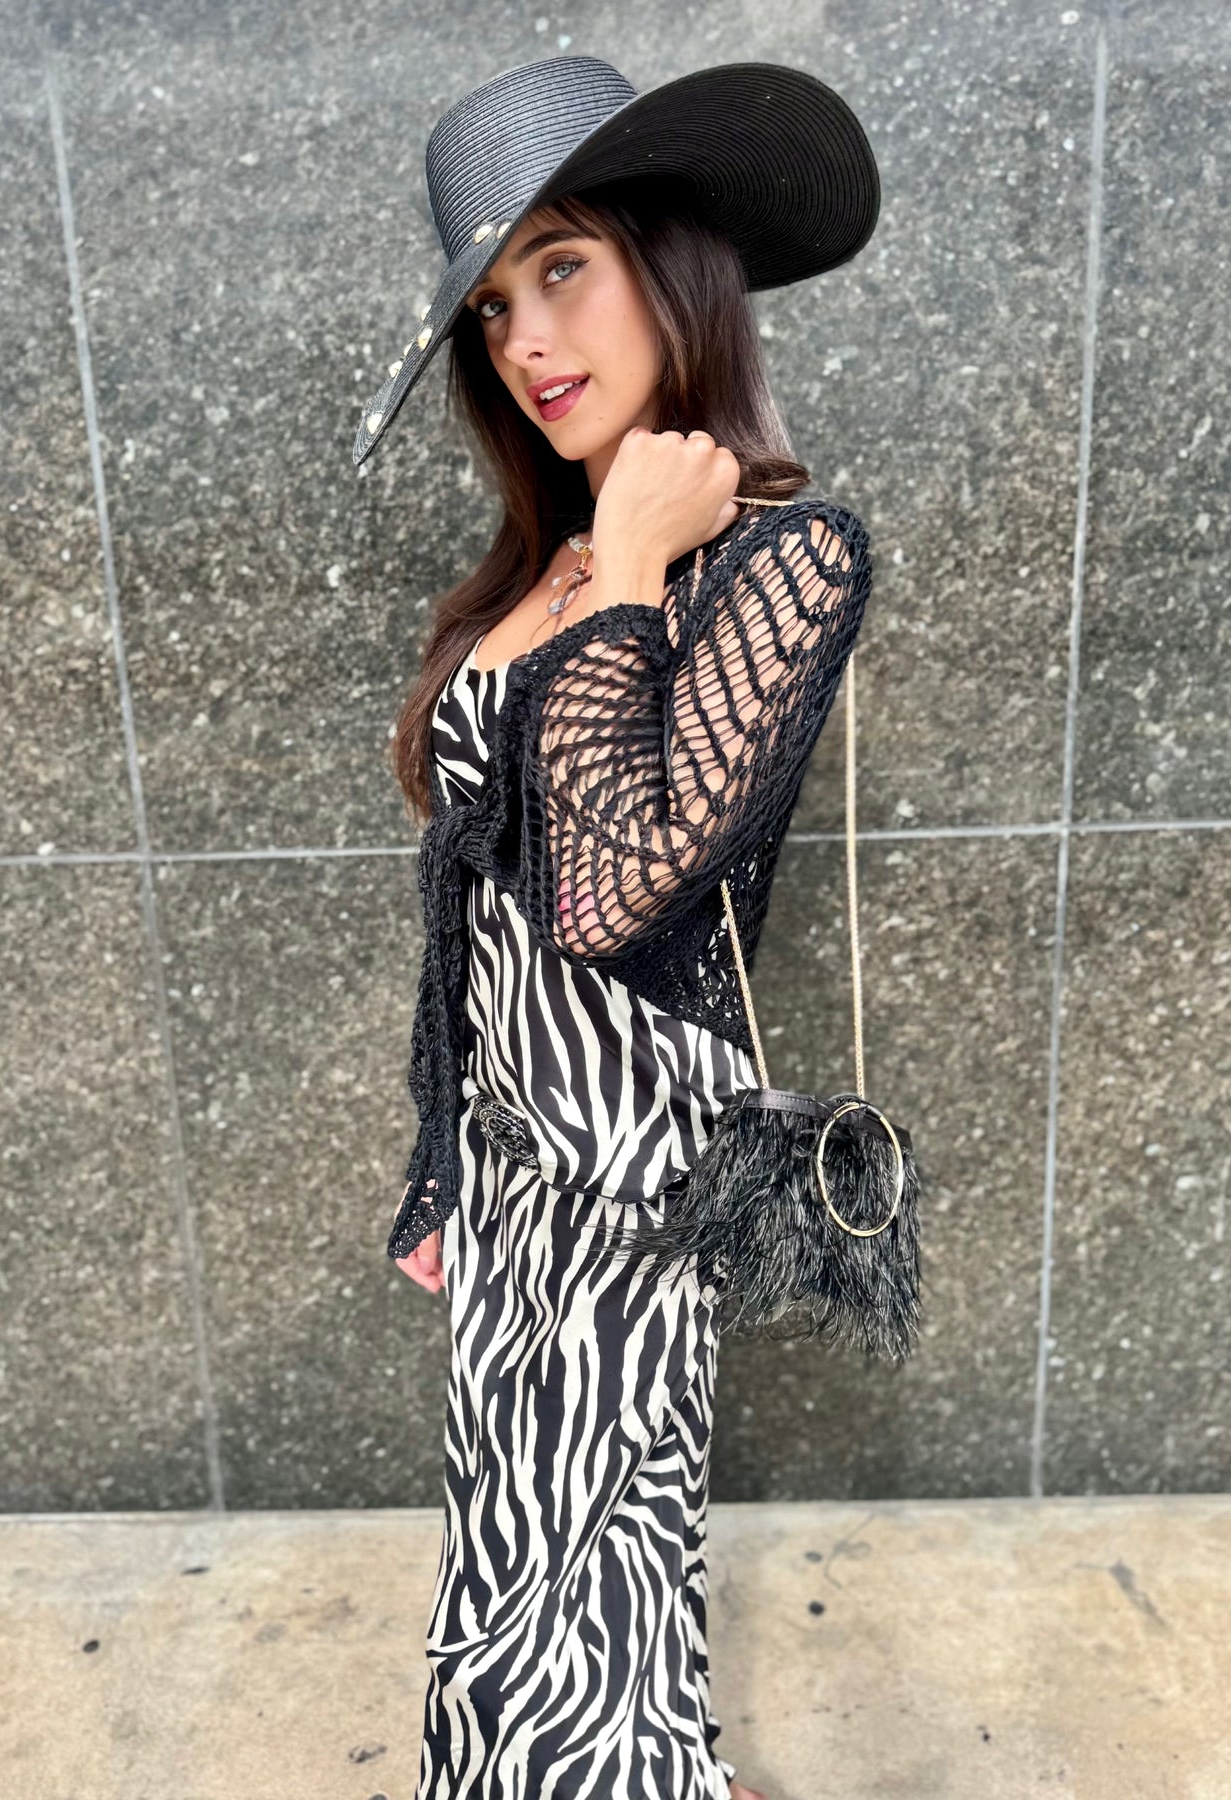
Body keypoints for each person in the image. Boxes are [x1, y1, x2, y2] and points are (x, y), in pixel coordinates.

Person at [355, 53, 880, 1800]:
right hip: (516, 1168)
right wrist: (442, 1161)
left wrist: (643, 564)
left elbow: (607, 890)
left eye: (562, 266)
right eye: (493, 306)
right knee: (508, 1555)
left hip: (635, 1165)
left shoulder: (784, 556)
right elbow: (469, 913)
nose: (525, 338)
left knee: (599, 1561)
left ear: (672, 267)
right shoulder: (546, 567)